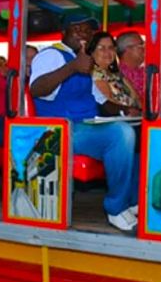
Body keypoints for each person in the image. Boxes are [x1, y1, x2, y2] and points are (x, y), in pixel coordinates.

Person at [30, 12, 138, 234]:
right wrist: (72, 68)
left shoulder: (83, 61)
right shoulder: (51, 55)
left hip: (86, 124)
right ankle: (116, 208)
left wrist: (126, 110)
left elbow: (98, 100)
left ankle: (132, 201)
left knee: (139, 132)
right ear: (64, 32)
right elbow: (36, 89)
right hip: (60, 130)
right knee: (120, 133)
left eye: (88, 30)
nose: (83, 33)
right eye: (76, 28)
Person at [87, 31, 141, 116]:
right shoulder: (96, 75)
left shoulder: (115, 74)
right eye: (102, 48)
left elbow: (136, 97)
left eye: (111, 47)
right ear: (92, 51)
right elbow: (109, 104)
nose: (107, 52)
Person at [116, 31, 145, 101]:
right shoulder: (117, 77)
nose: (144, 48)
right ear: (128, 49)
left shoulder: (144, 72)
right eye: (141, 45)